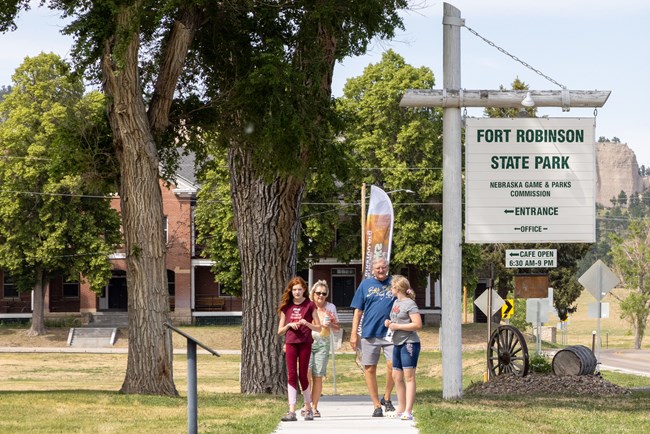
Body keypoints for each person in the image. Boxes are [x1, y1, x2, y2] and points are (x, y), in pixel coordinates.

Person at [350, 257, 396, 417]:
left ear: (387, 267)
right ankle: (376, 405)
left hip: (391, 332)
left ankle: (387, 397)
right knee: (369, 368)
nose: (381, 270)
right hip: (369, 332)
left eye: (383, 267)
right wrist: (353, 333)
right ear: (372, 270)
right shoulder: (365, 285)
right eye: (378, 268)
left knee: (393, 365)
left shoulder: (395, 282)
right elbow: (358, 311)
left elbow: (409, 296)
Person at [277, 276, 321, 422]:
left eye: (299, 290)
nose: (297, 292)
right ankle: (291, 410)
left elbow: (319, 327)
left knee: (303, 374)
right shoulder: (286, 307)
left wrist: (306, 323)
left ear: (304, 290)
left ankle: (308, 408)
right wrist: (289, 325)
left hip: (305, 342)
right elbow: (280, 330)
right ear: (291, 291)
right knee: (291, 375)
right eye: (294, 290)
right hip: (291, 343)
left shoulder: (310, 305)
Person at [384, 275, 422, 421]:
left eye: (392, 287)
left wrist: (398, 326)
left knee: (409, 377)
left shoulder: (410, 304)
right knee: (396, 376)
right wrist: (389, 323)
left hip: (409, 343)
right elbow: (396, 320)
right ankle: (401, 407)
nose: (390, 289)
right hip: (397, 343)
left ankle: (408, 410)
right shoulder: (396, 302)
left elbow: (417, 324)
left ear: (398, 288)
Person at [300, 280, 339, 418]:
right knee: (306, 374)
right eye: (318, 293)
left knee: (318, 376)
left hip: (323, 343)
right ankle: (307, 405)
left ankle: (314, 407)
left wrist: (331, 323)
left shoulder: (331, 307)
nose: (321, 296)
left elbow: (337, 327)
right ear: (313, 293)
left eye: (324, 293)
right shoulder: (307, 306)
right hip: (307, 342)